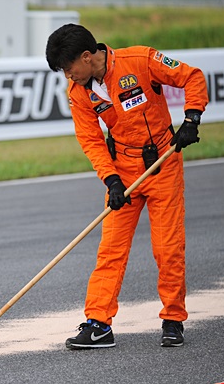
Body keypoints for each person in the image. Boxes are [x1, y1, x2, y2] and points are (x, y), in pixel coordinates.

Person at [45, 24, 208, 349]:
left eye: (68, 67)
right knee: (111, 251)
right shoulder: (79, 93)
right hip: (123, 171)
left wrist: (192, 118)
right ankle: (99, 324)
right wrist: (111, 179)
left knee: (167, 248)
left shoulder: (140, 60)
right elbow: (91, 141)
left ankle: (173, 319)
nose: (67, 76)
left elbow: (193, 77)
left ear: (87, 57)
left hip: (163, 161)